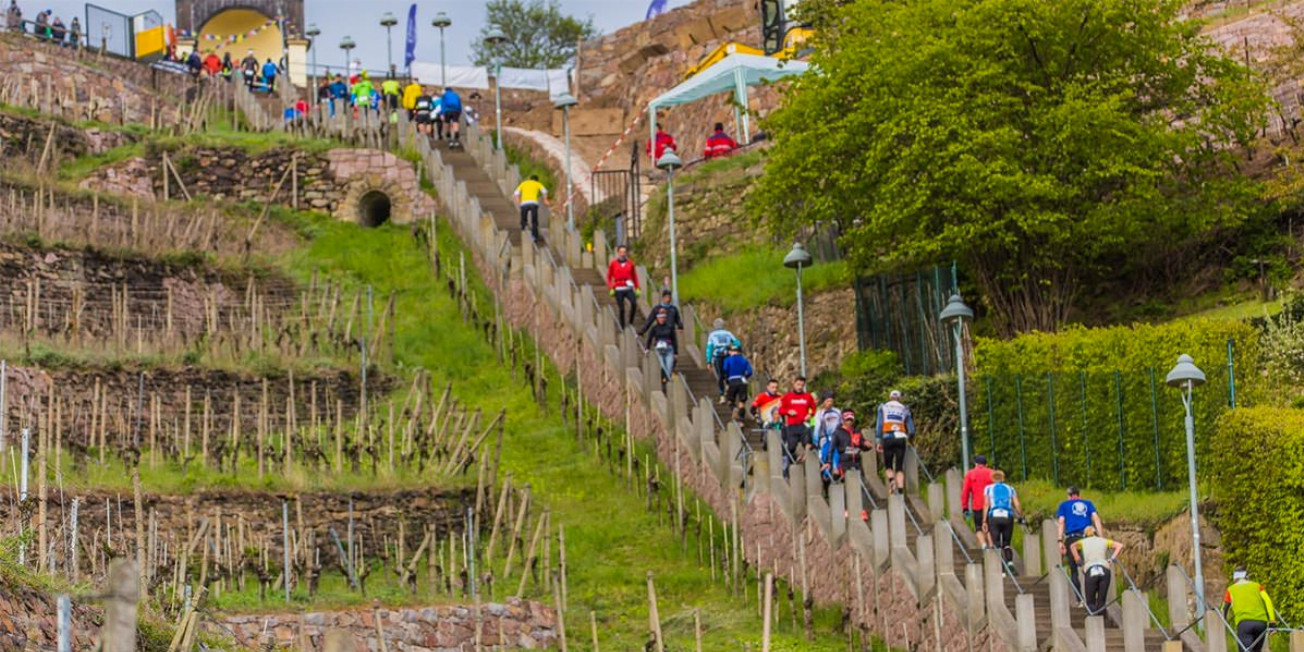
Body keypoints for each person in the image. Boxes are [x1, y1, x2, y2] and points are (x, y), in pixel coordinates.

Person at [1057, 486, 1104, 607]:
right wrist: (1101, 537)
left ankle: (1080, 599)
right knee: (1091, 567)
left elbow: (1061, 522)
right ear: (1078, 495)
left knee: (1074, 571)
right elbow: (1096, 519)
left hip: (1072, 539)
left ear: (1069, 495)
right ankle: (1093, 598)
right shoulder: (1088, 504)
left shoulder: (1064, 505)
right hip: (1087, 538)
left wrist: (1060, 540)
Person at [1069, 526, 1123, 616]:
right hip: (1104, 568)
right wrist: (1111, 559)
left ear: (1085, 535)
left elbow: (1072, 546)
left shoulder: (1083, 542)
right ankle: (1103, 623)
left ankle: (1094, 622)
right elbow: (1119, 546)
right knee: (1101, 601)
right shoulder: (1104, 541)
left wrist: (1078, 560)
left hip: (1090, 569)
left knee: (1090, 601)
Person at [1224, 566, 1277, 652]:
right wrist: (1272, 622)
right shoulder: (1257, 586)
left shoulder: (1231, 589)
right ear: (1247, 576)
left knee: (1245, 650)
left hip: (1244, 624)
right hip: (1261, 623)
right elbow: (1268, 601)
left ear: (1235, 577)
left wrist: (1224, 619)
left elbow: (1225, 607)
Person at [874, 390, 915, 494]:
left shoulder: (883, 407)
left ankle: (892, 481)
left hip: (888, 437)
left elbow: (879, 425)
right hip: (901, 437)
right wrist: (910, 439)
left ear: (890, 397)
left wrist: (878, 440)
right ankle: (900, 490)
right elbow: (912, 429)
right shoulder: (905, 408)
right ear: (900, 398)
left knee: (888, 466)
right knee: (899, 467)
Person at [778, 377, 816, 478]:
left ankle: (806, 459)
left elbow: (814, 408)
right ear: (793, 384)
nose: (800, 387)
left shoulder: (807, 396)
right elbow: (780, 410)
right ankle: (788, 469)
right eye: (798, 384)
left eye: (802, 385)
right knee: (790, 447)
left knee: (808, 442)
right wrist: (788, 412)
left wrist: (810, 415)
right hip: (791, 426)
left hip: (803, 425)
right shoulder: (788, 397)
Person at [982, 470, 1023, 563]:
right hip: (1008, 516)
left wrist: (984, 521)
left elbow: (986, 504)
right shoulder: (1010, 488)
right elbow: (1017, 504)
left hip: (994, 516)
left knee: (996, 543)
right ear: (1003, 478)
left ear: (992, 479)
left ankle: (1001, 567)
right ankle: (1010, 562)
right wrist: (1021, 515)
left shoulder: (988, 488)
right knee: (1006, 543)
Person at [961, 455, 994, 550]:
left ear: (976, 464)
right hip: (991, 505)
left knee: (979, 528)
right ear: (986, 464)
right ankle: (992, 546)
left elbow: (965, 492)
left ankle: (984, 545)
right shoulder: (992, 473)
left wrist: (965, 507)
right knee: (990, 526)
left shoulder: (970, 474)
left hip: (978, 506)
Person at [705, 319, 741, 402]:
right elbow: (737, 343)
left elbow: (709, 348)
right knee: (729, 373)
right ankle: (729, 387)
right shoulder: (728, 333)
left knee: (720, 376)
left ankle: (722, 395)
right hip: (727, 355)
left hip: (717, 356)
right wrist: (732, 349)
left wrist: (708, 361)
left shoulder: (712, 335)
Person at [606, 245, 641, 328]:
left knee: (634, 303)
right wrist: (611, 287)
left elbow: (634, 276)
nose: (622, 254)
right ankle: (622, 326)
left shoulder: (630, 263)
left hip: (628, 287)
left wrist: (637, 287)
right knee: (621, 308)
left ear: (626, 253)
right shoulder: (613, 263)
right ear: (618, 253)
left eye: (624, 252)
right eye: (621, 252)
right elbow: (609, 276)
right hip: (618, 288)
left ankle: (631, 322)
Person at [813, 391, 841, 489]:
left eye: (831, 401)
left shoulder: (837, 411)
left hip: (835, 437)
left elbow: (841, 424)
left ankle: (835, 469)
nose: (829, 403)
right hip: (824, 438)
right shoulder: (819, 414)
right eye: (827, 401)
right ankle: (825, 475)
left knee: (836, 451)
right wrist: (815, 442)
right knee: (825, 455)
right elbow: (817, 428)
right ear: (824, 402)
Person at [644, 309, 677, 387]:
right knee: (662, 365)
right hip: (659, 349)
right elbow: (649, 338)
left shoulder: (670, 327)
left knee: (669, 367)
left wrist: (676, 352)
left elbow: (674, 339)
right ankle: (668, 383)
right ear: (657, 319)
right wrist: (647, 348)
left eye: (663, 318)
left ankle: (666, 381)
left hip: (669, 348)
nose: (662, 319)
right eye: (660, 318)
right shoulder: (654, 328)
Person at [513, 174, 550, 242]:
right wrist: (545, 200)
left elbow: (516, 193)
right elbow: (544, 191)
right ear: (536, 180)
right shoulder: (537, 183)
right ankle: (534, 237)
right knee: (534, 221)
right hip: (533, 203)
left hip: (524, 204)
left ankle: (524, 234)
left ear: (530, 179)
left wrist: (519, 201)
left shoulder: (523, 183)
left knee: (523, 220)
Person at [721, 345, 753, 419]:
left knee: (730, 400)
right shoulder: (744, 359)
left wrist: (727, 380)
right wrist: (745, 376)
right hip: (742, 380)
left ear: (731, 351)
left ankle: (734, 408)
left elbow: (725, 370)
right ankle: (741, 418)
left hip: (732, 380)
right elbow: (750, 372)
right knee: (742, 401)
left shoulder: (728, 360)